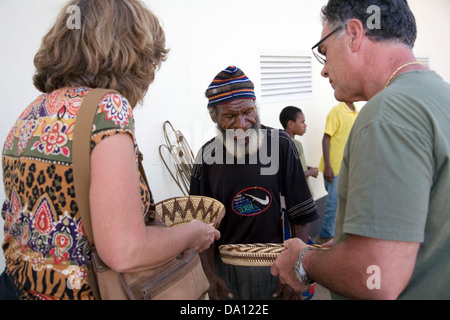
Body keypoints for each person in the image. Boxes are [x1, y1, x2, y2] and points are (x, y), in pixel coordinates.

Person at [0, 0, 219, 300]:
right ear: (131, 53)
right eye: (150, 59)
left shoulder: (31, 113)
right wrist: (193, 233)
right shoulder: (106, 109)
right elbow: (125, 251)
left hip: (18, 287)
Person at [272, 0, 450, 300]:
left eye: (324, 52)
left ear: (354, 33)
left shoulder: (386, 113)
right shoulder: (438, 97)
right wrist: (348, 248)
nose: (324, 71)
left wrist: (303, 260)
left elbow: (378, 276)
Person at [190, 66, 319, 300]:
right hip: (226, 273)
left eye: (249, 112)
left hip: (278, 269)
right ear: (214, 116)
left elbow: (300, 216)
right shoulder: (206, 157)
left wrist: (295, 273)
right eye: (230, 116)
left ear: (256, 107)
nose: (242, 123)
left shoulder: (282, 146)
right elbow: (202, 227)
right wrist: (210, 277)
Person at [317, 101, 358, 243]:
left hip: (349, 167)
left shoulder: (356, 113)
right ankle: (325, 235)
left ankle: (339, 235)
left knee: (345, 203)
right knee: (333, 205)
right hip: (334, 168)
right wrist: (328, 166)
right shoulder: (336, 112)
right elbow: (326, 139)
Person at [279, 106, 319, 196]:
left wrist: (307, 167)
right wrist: (311, 172)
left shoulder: (280, 142)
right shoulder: (296, 144)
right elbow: (294, 176)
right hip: (301, 196)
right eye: (302, 122)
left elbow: (291, 167)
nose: (305, 125)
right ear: (290, 124)